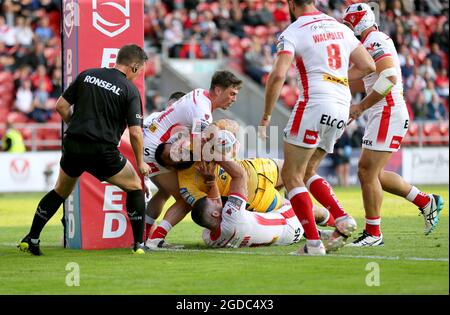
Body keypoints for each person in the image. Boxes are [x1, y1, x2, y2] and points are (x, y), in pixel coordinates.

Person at [258, 0, 376, 255]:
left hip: (314, 101)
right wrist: (337, 76)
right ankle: (342, 218)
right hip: (342, 105)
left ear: (291, 4)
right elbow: (368, 65)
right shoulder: (339, 27)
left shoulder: (293, 31)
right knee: (309, 169)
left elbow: (278, 75)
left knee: (290, 174)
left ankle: (313, 244)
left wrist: (266, 115)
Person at [18, 44, 151, 255]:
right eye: (140, 70)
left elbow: (61, 106)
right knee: (135, 186)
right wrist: (141, 162)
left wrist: (77, 127)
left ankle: (31, 238)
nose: (138, 75)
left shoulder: (87, 75)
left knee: (60, 190)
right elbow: (135, 133)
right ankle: (139, 245)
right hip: (102, 151)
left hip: (73, 144)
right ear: (134, 67)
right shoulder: (130, 90)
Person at [343, 3, 444, 246]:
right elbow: (363, 78)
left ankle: (374, 233)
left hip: (387, 109)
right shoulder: (371, 41)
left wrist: (360, 107)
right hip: (385, 110)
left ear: (359, 22)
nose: (348, 29)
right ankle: (424, 201)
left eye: (349, 24)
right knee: (373, 173)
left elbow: (388, 77)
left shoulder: (375, 38)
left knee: (367, 172)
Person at [143, 71, 242, 248]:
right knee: (187, 198)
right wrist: (226, 152)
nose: (234, 99)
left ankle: (146, 238)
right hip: (155, 150)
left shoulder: (200, 97)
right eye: (232, 93)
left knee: (165, 193)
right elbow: (198, 150)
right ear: (218, 90)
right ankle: (154, 240)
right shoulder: (202, 111)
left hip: (153, 144)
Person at [192, 160, 304, 248]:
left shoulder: (209, 239)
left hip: (285, 237)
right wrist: (218, 156)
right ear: (215, 214)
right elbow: (240, 175)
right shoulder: (232, 216)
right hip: (289, 221)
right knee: (291, 176)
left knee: (266, 201)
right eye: (213, 201)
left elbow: (212, 210)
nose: (216, 199)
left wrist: (211, 181)